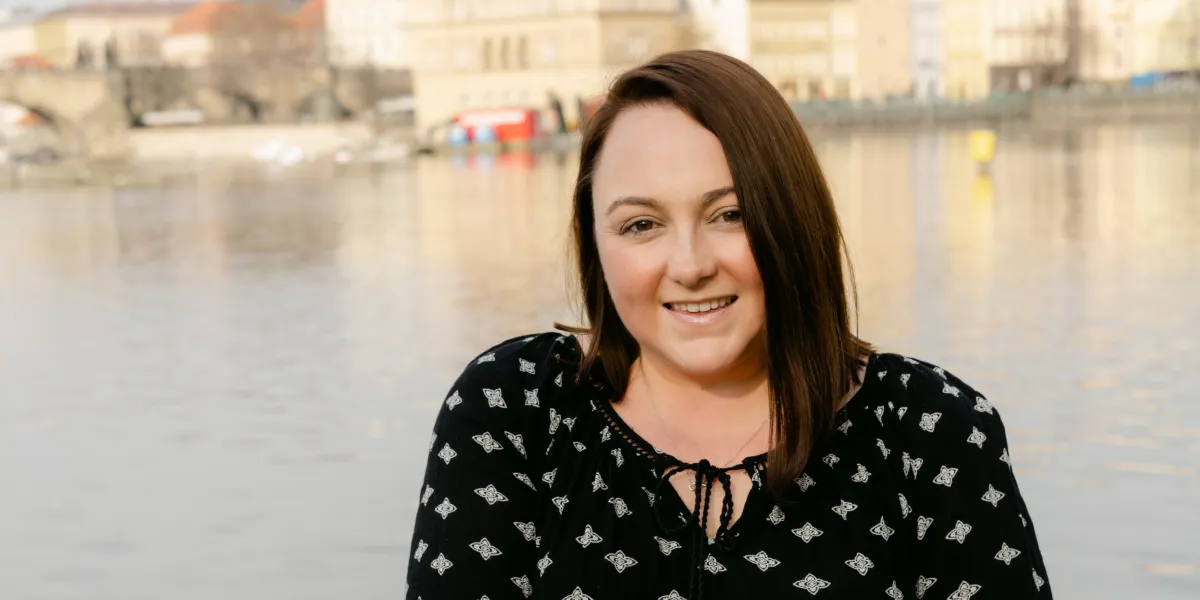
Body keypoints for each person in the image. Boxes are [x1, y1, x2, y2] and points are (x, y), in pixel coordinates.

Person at [405, 50, 1052, 600]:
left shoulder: (928, 432)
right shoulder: (515, 411)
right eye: (641, 225)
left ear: (792, 219)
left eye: (730, 215)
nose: (689, 266)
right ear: (595, 246)